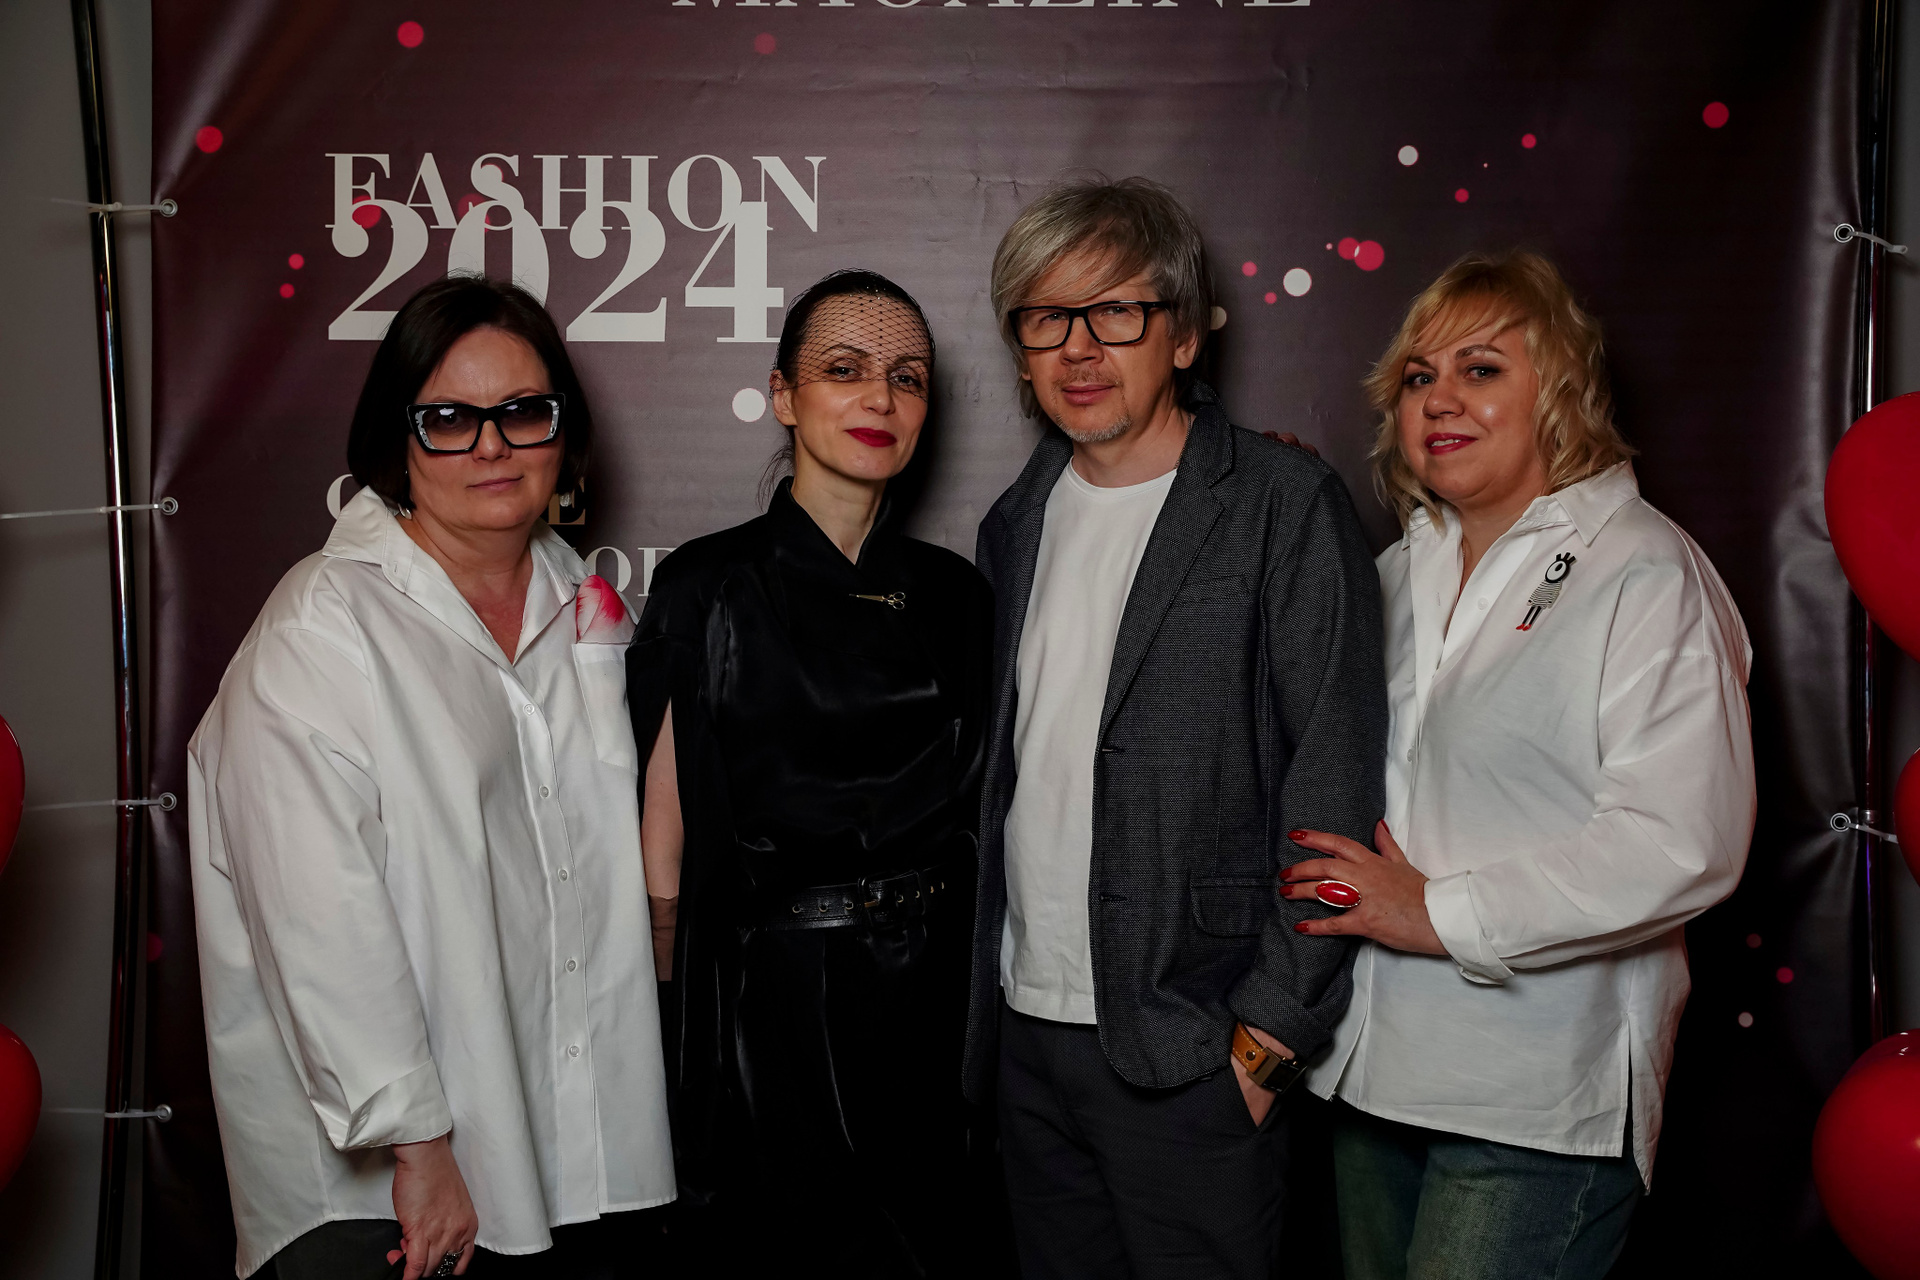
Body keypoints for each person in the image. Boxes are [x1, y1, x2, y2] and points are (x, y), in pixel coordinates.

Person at [187, 276, 674, 1280]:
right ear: (396, 438)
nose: (491, 446)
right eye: (449, 419)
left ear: (563, 432)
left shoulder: (582, 606)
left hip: (559, 1160)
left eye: (523, 412)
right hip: (388, 1192)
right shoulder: (323, 627)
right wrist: (419, 1144)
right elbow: (319, 919)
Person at [1286, 251, 1755, 1280]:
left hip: (1538, 1101)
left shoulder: (1645, 569)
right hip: (1371, 1078)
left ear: (1562, 392)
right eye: (1419, 376)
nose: (1440, 398)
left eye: (1482, 368)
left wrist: (1439, 911)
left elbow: (1684, 842)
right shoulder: (1392, 573)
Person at [966, 175, 1388, 1279]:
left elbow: (1334, 777)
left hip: (1197, 1046)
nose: (1079, 347)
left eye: (1117, 311)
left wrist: (1269, 1042)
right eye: (1047, 317)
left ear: (1186, 335)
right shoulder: (1014, 522)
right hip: (1027, 1037)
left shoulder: (1282, 503)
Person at [627, 270, 996, 1276]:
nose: (880, 397)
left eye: (907, 377)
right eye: (845, 369)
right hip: (772, 1006)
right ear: (784, 395)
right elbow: (665, 839)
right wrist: (678, 1037)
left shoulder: (961, 596)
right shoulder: (707, 583)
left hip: (935, 998)